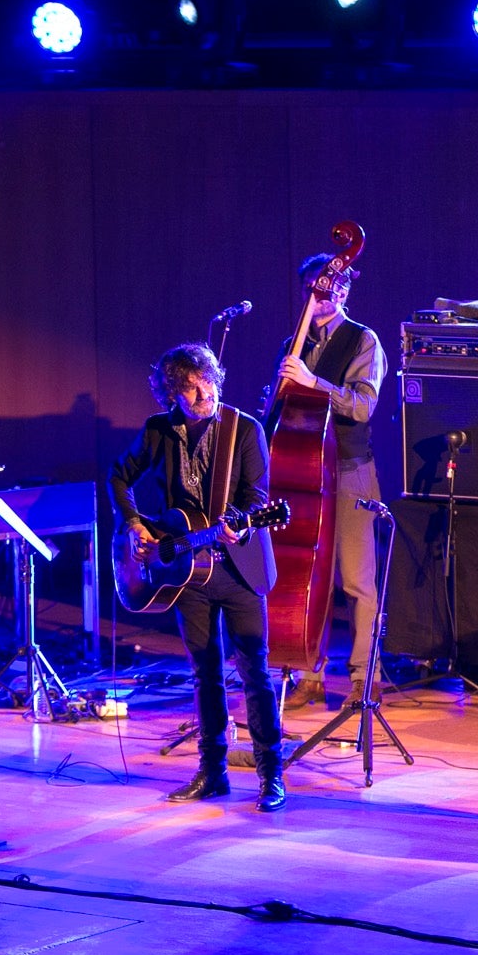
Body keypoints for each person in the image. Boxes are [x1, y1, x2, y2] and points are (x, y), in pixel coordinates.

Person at [110, 342, 286, 812]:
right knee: (204, 674)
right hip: (187, 571)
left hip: (240, 567)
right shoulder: (158, 431)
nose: (202, 392)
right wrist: (134, 524)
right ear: (172, 395)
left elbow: (258, 496)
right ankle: (213, 774)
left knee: (255, 672)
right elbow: (119, 476)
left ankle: (272, 776)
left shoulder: (243, 429)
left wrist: (241, 523)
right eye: (189, 388)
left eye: (206, 380)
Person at [275, 252, 388, 711]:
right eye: (312, 290)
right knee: (306, 577)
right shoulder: (294, 342)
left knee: (356, 582)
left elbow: (362, 406)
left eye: (326, 290)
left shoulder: (364, 341)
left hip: (349, 471)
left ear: (342, 292)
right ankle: (308, 673)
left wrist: (312, 381)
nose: (318, 297)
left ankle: (366, 677)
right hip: (304, 474)